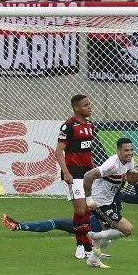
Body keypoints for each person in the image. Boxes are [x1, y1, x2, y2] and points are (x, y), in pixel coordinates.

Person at [84, 138, 138, 268]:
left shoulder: (129, 161)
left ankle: (93, 260)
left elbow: (131, 179)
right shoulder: (112, 165)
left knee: (109, 236)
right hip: (99, 203)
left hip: (109, 201)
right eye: (126, 150)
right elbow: (88, 176)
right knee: (127, 229)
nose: (130, 153)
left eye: (131, 150)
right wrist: (89, 199)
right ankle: (95, 237)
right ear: (118, 151)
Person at [0, 183, 138, 234]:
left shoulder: (109, 193)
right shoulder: (117, 193)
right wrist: (136, 184)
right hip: (98, 221)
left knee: (57, 223)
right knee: (61, 224)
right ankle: (20, 226)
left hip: (97, 223)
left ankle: (20, 226)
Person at [55, 94, 95, 259]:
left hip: (87, 173)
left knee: (86, 209)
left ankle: (88, 248)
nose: (89, 107)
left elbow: (87, 151)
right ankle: (80, 244)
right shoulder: (68, 126)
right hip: (73, 172)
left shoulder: (91, 125)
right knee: (80, 209)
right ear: (76, 108)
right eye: (86, 105)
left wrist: (93, 170)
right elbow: (58, 152)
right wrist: (66, 172)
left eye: (89, 105)